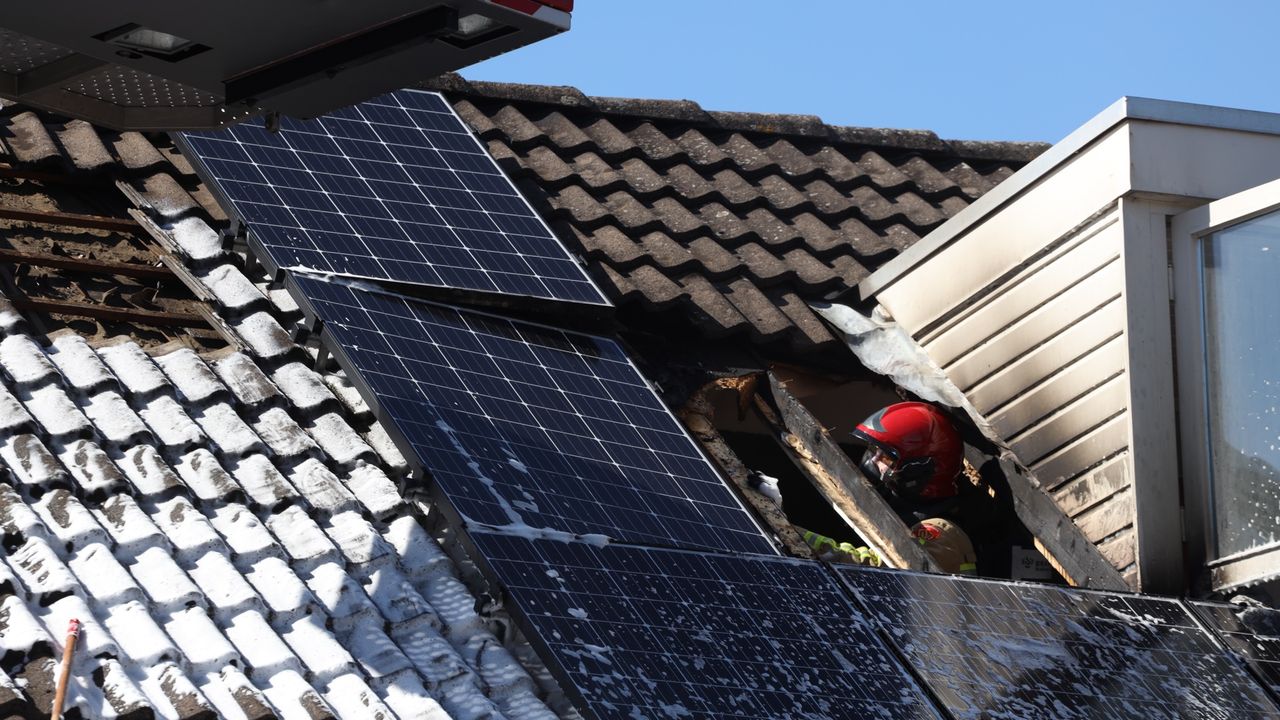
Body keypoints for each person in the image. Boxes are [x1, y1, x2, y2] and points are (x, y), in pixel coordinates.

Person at [801, 402, 979, 575]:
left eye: (886, 457)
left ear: (917, 471)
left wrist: (799, 536)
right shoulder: (898, 504)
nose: (873, 460)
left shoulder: (939, 533)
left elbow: (875, 571)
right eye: (874, 450)